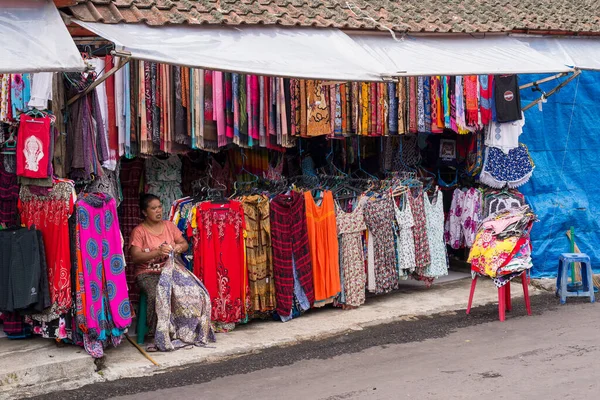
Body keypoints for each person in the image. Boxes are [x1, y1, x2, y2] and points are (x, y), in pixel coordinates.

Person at [129, 193, 189, 339]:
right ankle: (157, 333)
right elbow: (135, 257)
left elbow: (184, 243)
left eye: (160, 207)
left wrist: (179, 248)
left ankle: (182, 329)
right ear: (144, 212)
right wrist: (157, 252)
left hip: (170, 269)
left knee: (190, 289)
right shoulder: (139, 231)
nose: (158, 211)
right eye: (153, 208)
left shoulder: (169, 226)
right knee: (157, 293)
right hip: (147, 273)